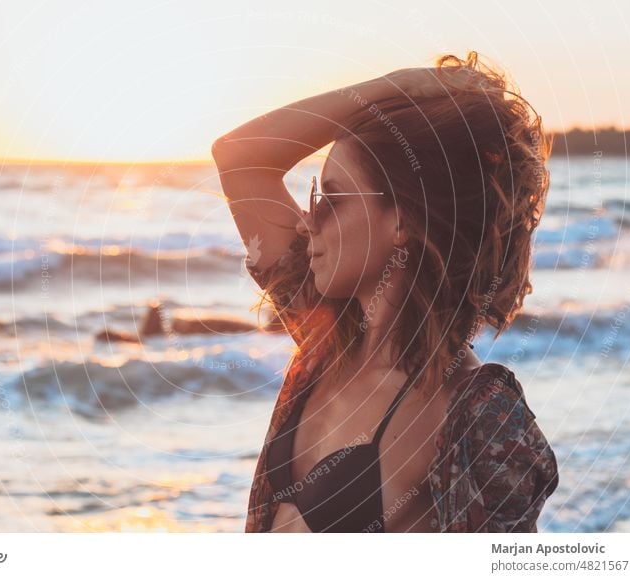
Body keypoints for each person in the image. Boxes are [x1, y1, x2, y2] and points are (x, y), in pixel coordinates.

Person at [212, 51, 559, 533]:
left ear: (403, 221)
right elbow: (239, 159)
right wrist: (398, 88)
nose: (308, 221)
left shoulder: (477, 413)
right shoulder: (326, 340)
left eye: (331, 199)